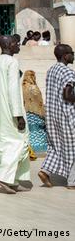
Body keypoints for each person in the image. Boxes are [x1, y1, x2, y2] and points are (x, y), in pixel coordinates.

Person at [0, 35, 31, 193]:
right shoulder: (12, 62)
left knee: (8, 143)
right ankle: (3, 175)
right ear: (8, 45)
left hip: (1, 111)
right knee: (18, 143)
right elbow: (13, 90)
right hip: (12, 111)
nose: (18, 45)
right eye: (15, 43)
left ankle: (13, 179)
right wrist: (18, 115)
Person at [38, 44, 75, 189]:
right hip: (67, 116)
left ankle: (45, 171)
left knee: (56, 147)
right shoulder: (67, 72)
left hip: (53, 116)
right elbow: (67, 96)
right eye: (71, 53)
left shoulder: (51, 70)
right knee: (73, 148)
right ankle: (72, 182)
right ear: (65, 55)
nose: (73, 55)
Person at [22, 70, 47, 154]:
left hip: (26, 113)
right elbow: (39, 100)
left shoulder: (22, 87)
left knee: (30, 131)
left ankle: (30, 149)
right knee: (38, 130)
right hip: (36, 112)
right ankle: (38, 150)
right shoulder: (33, 87)